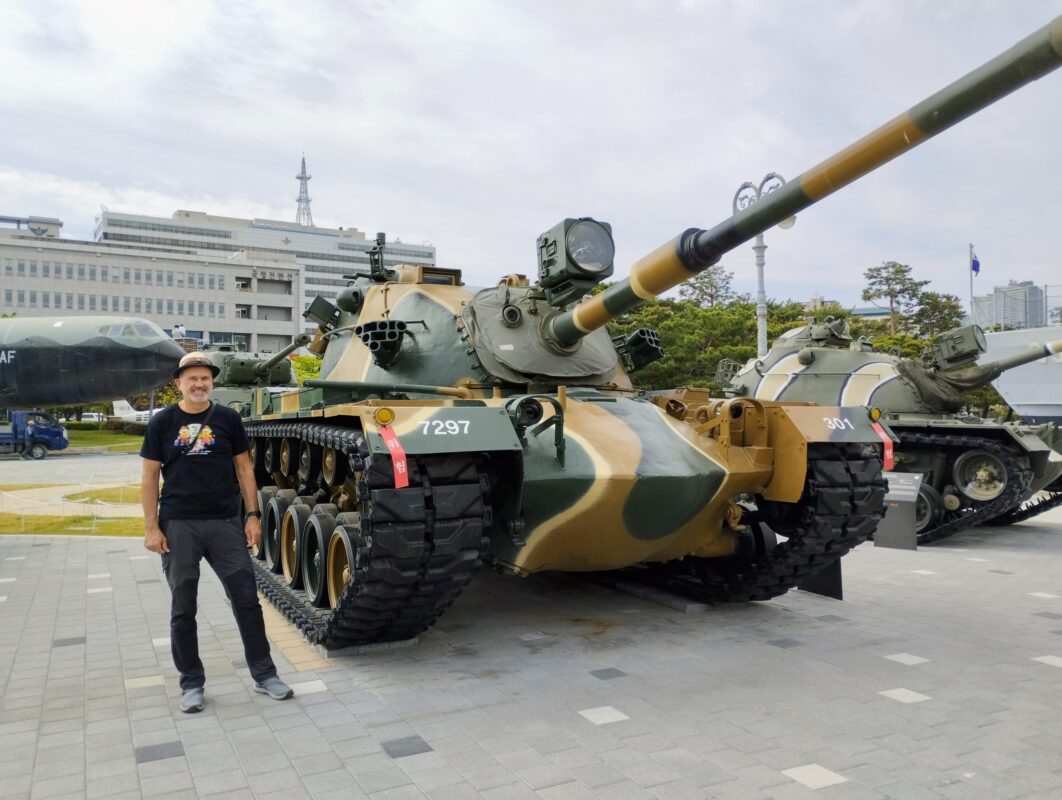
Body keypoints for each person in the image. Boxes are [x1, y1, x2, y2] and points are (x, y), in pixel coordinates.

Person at [140, 351, 293, 713]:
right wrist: (151, 527)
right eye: (191, 378)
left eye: (205, 378)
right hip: (179, 525)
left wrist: (252, 515)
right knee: (183, 607)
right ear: (178, 382)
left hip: (225, 522)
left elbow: (244, 470)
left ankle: (265, 673)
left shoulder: (228, 419)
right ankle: (191, 683)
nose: (199, 384)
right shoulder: (162, 422)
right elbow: (149, 476)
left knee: (247, 602)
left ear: (212, 382)